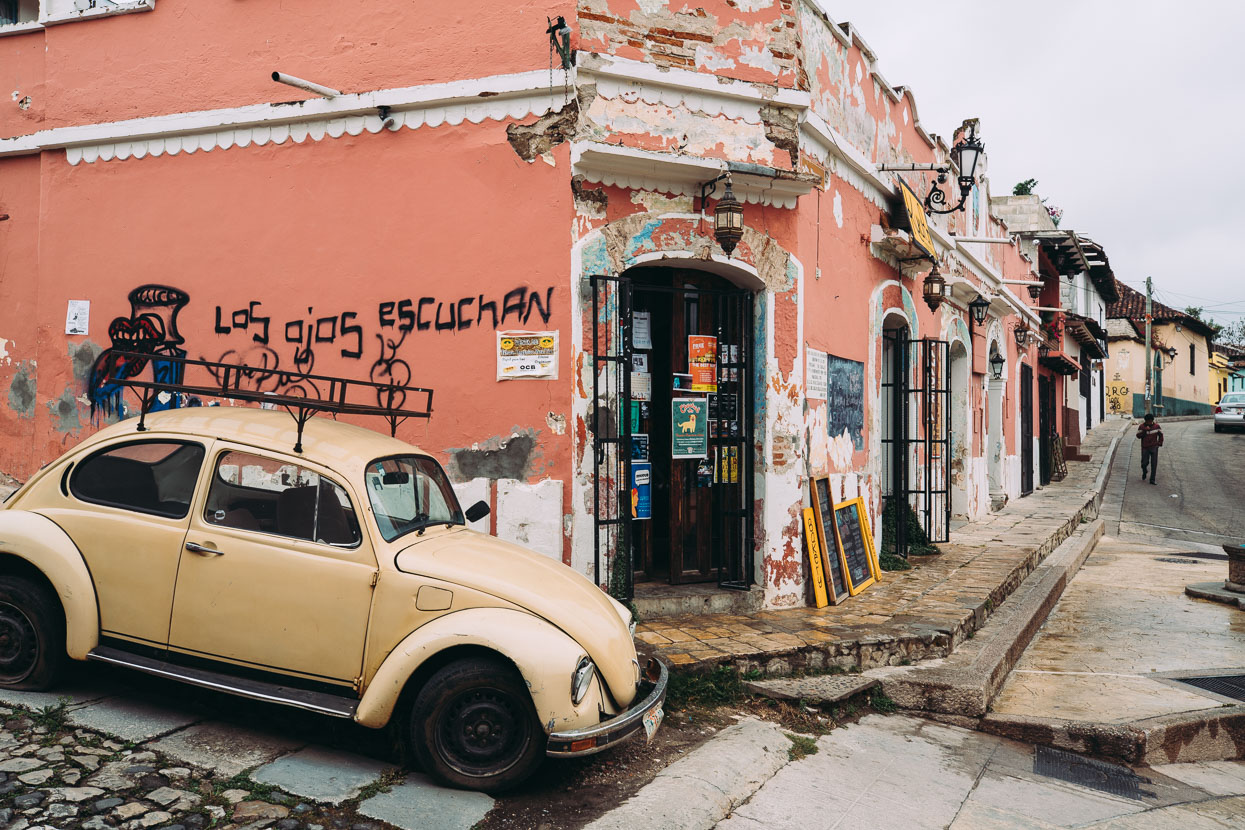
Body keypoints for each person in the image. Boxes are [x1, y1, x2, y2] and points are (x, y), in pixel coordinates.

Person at [1136, 414, 1163, 485]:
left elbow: (1161, 435)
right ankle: (1144, 471)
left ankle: (1152, 479)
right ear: (1145, 421)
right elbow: (1138, 436)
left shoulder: (1157, 426)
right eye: (1148, 421)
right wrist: (1144, 431)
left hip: (1154, 447)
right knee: (1144, 463)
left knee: (1154, 464)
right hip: (1145, 447)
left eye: (1150, 421)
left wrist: (1159, 443)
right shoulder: (1141, 427)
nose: (1149, 423)